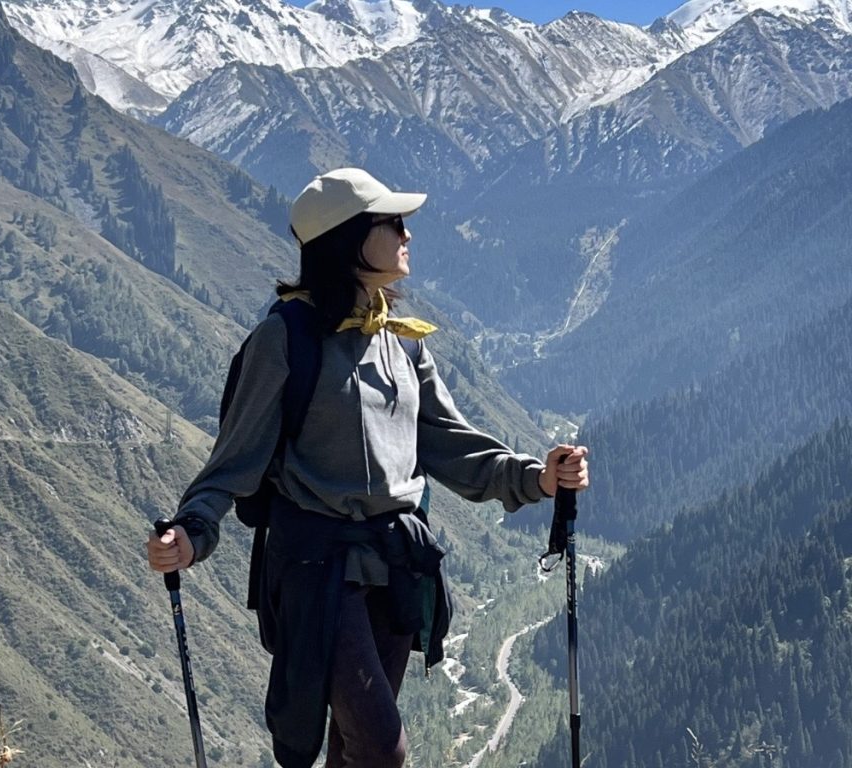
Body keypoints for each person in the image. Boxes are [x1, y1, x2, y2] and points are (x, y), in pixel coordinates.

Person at [147, 167, 589, 768]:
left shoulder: (402, 339)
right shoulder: (285, 340)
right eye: (392, 223)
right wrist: (191, 533)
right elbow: (234, 459)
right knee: (383, 747)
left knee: (356, 750)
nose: (407, 233)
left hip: (396, 565)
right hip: (318, 569)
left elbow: (447, 441)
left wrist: (539, 477)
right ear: (347, 238)